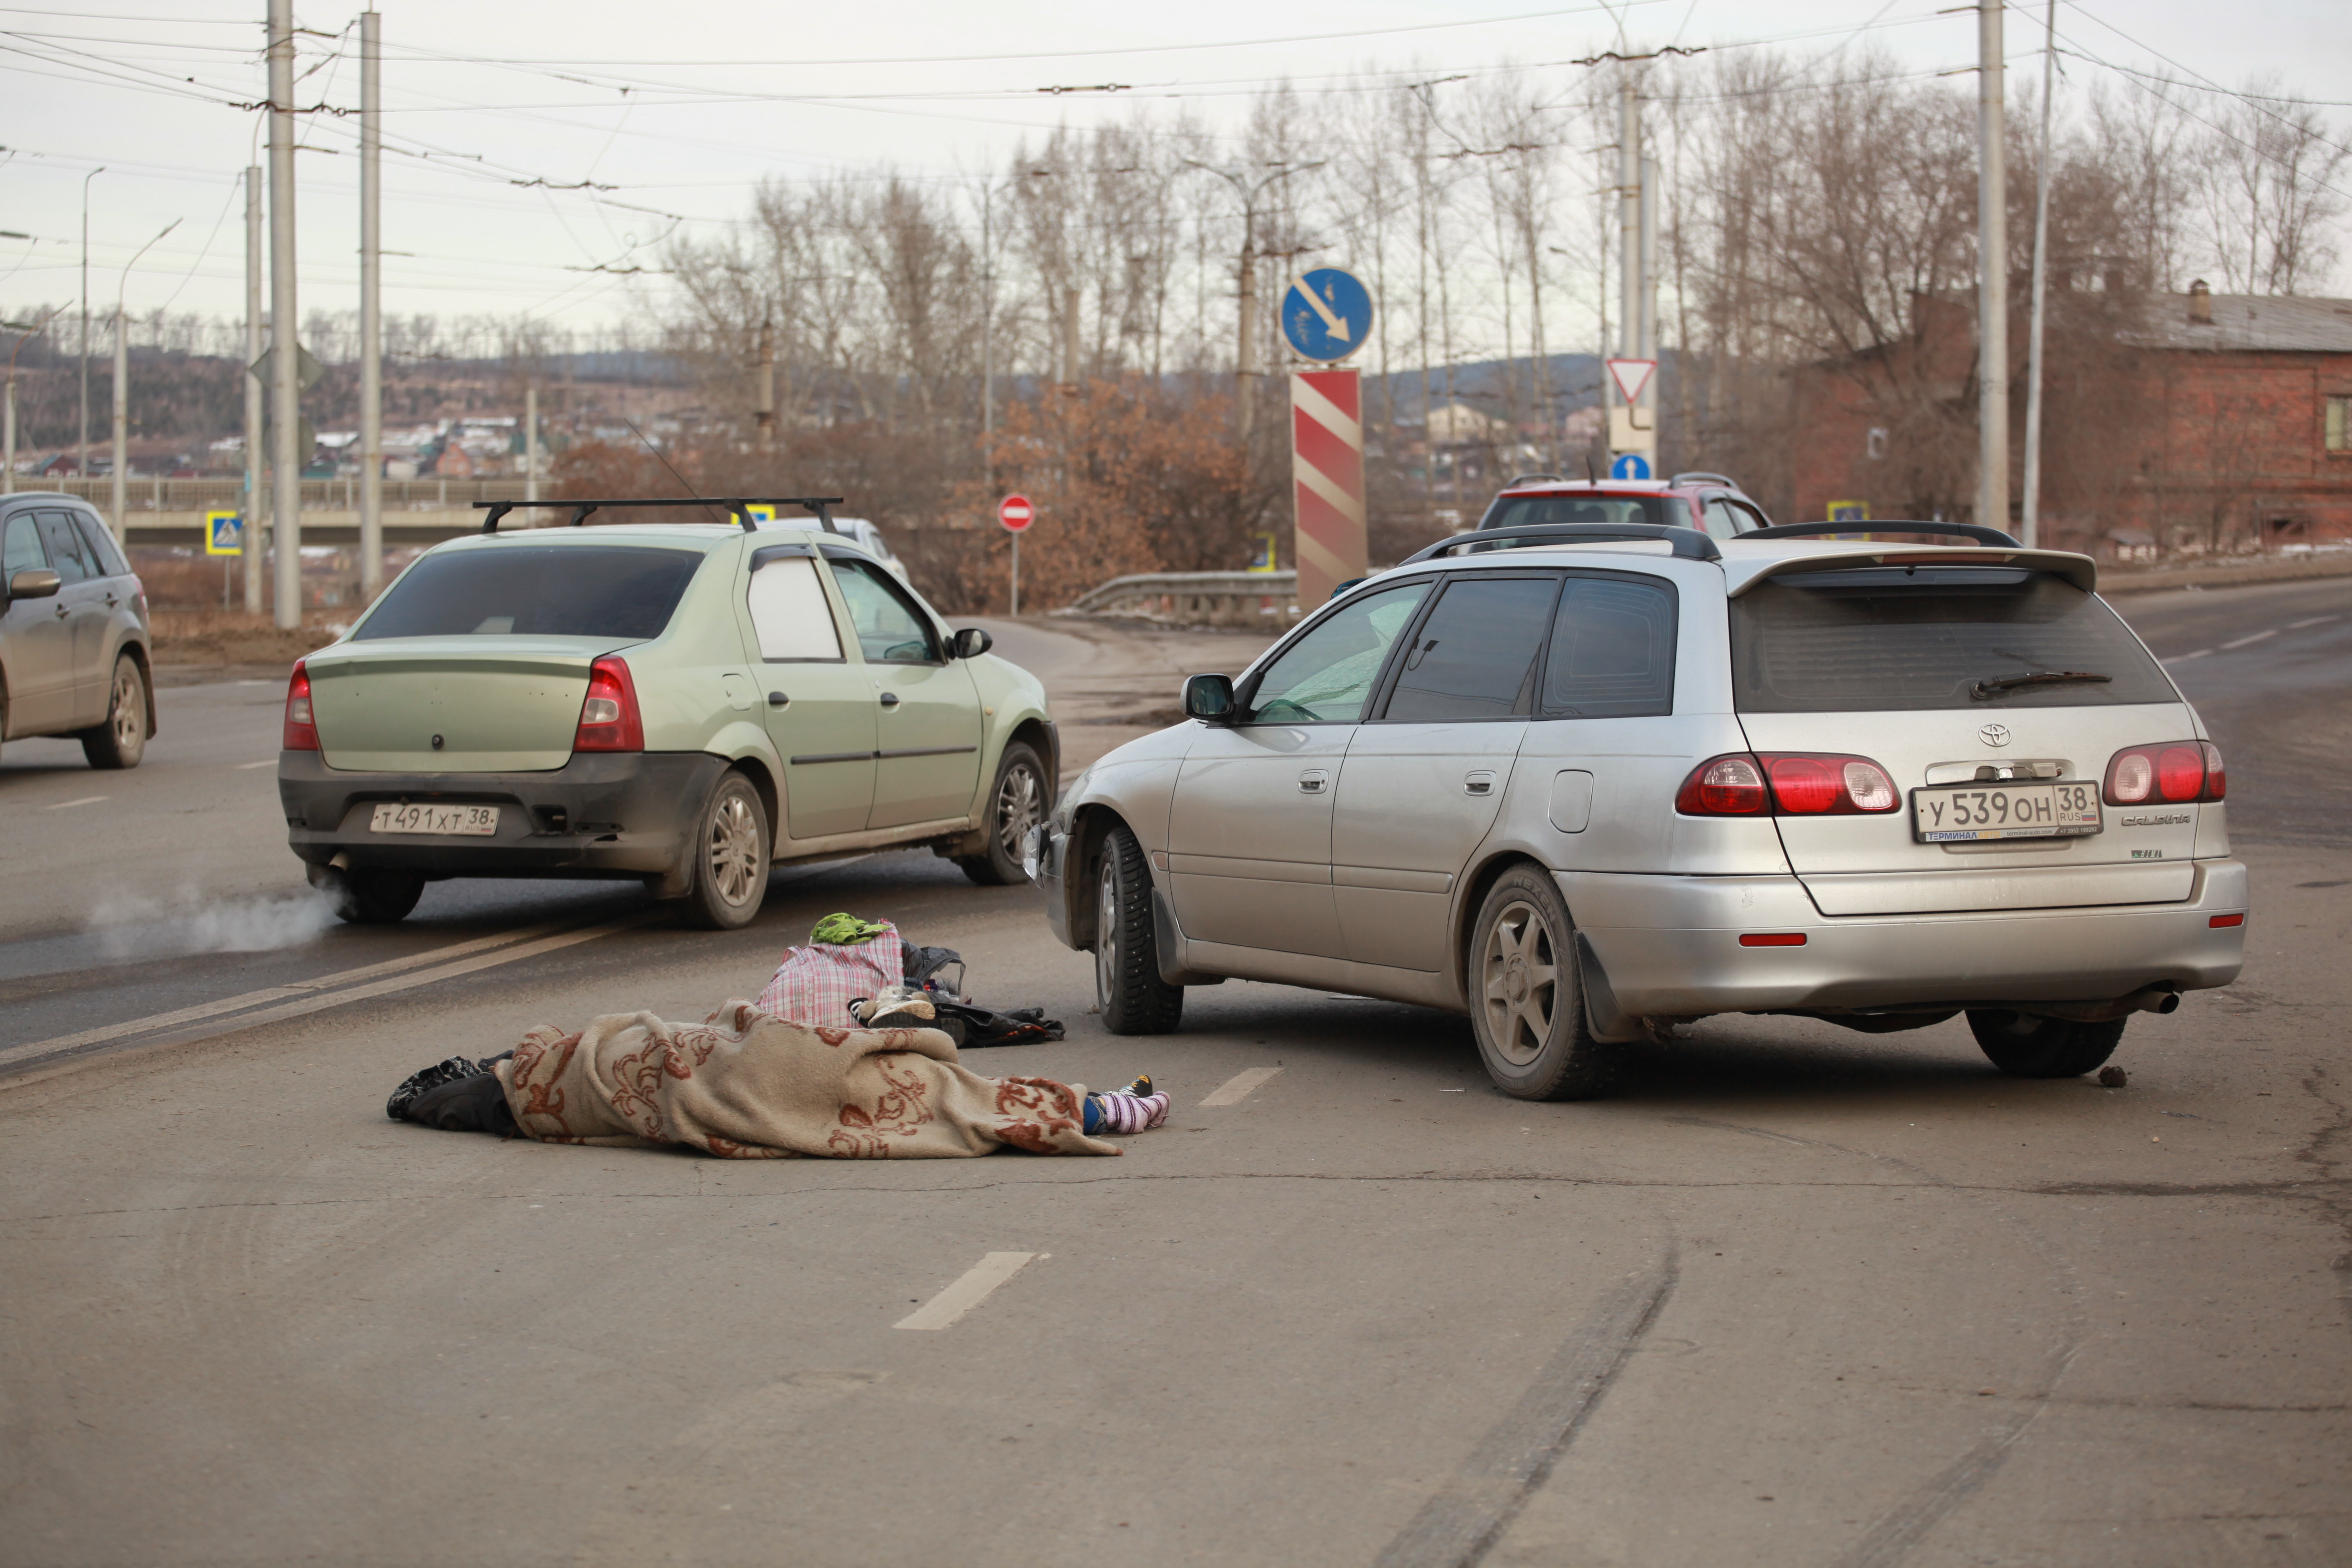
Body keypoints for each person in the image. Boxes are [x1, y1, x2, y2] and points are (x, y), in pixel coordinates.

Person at [384, 999, 1167, 1158]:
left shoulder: (548, 1072)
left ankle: (1102, 1108)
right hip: (692, 1064)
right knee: (955, 1098)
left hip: (686, 1058)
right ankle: (1102, 1110)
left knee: (951, 1094)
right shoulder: (538, 1081)